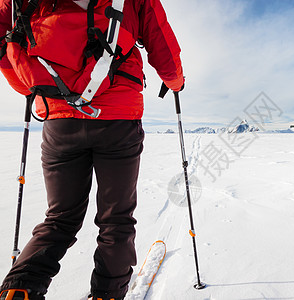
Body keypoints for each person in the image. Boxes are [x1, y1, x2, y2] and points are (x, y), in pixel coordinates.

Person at [0, 0, 184, 299]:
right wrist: (175, 82)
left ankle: (19, 289)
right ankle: (108, 294)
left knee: (59, 218)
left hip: (59, 119)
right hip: (118, 120)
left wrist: (31, 86)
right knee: (116, 218)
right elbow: (161, 43)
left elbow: (5, 40)